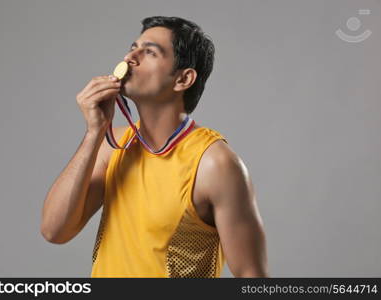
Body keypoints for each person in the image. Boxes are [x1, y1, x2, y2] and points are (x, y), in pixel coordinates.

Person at [41, 16, 268, 278]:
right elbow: (54, 231)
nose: (130, 57)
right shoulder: (112, 145)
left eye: (149, 52)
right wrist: (94, 132)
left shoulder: (215, 164)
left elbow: (253, 277)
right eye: (133, 47)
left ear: (183, 79)